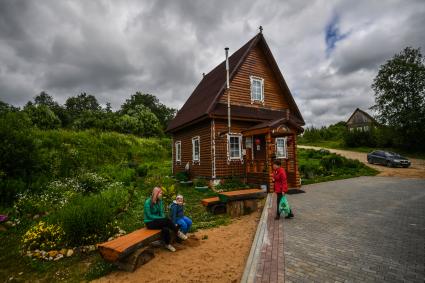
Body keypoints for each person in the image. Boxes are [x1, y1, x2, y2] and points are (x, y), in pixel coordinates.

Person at [144, 187, 187, 252]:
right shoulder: (147, 202)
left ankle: (167, 244)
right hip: (150, 223)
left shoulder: (160, 201)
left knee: (166, 229)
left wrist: (162, 218)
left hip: (159, 221)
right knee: (166, 220)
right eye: (160, 193)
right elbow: (149, 216)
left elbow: (162, 213)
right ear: (156, 193)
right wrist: (162, 218)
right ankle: (177, 232)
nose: (161, 195)